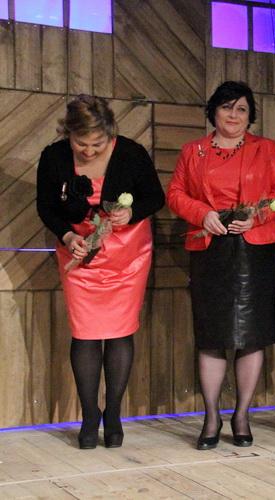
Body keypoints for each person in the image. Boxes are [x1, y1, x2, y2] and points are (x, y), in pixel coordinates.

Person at [167, 81, 275, 450]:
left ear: (250, 115)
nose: (233, 115)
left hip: (254, 250)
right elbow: (175, 194)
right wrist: (202, 214)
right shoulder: (193, 151)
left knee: (250, 336)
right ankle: (211, 417)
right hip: (209, 248)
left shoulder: (265, 148)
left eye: (241, 109)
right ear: (214, 111)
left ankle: (241, 414)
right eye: (226, 107)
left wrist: (257, 216)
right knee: (211, 336)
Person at [36, 95, 165, 449]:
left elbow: (155, 197)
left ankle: (114, 414)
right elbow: (46, 206)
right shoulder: (53, 157)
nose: (90, 151)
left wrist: (132, 212)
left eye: (98, 143)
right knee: (86, 332)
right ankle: (90, 414)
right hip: (79, 251)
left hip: (128, 252)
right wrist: (66, 236)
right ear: (68, 134)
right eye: (81, 144)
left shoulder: (131, 153)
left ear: (110, 133)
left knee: (120, 331)